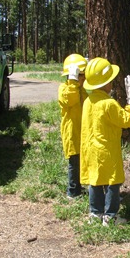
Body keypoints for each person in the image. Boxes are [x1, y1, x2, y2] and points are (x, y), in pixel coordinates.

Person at [80, 57, 130, 226]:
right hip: (107, 150)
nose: (113, 82)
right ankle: (111, 216)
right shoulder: (109, 104)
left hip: (91, 150)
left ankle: (96, 213)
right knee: (113, 181)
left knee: (95, 180)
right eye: (110, 79)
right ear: (105, 82)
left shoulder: (88, 101)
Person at [58, 53, 88, 200]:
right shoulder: (65, 89)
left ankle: (80, 186)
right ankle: (73, 191)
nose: (83, 78)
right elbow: (70, 100)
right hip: (72, 133)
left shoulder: (82, 90)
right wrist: (72, 82)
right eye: (80, 75)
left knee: (82, 161)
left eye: (83, 75)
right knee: (74, 163)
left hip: (83, 132)